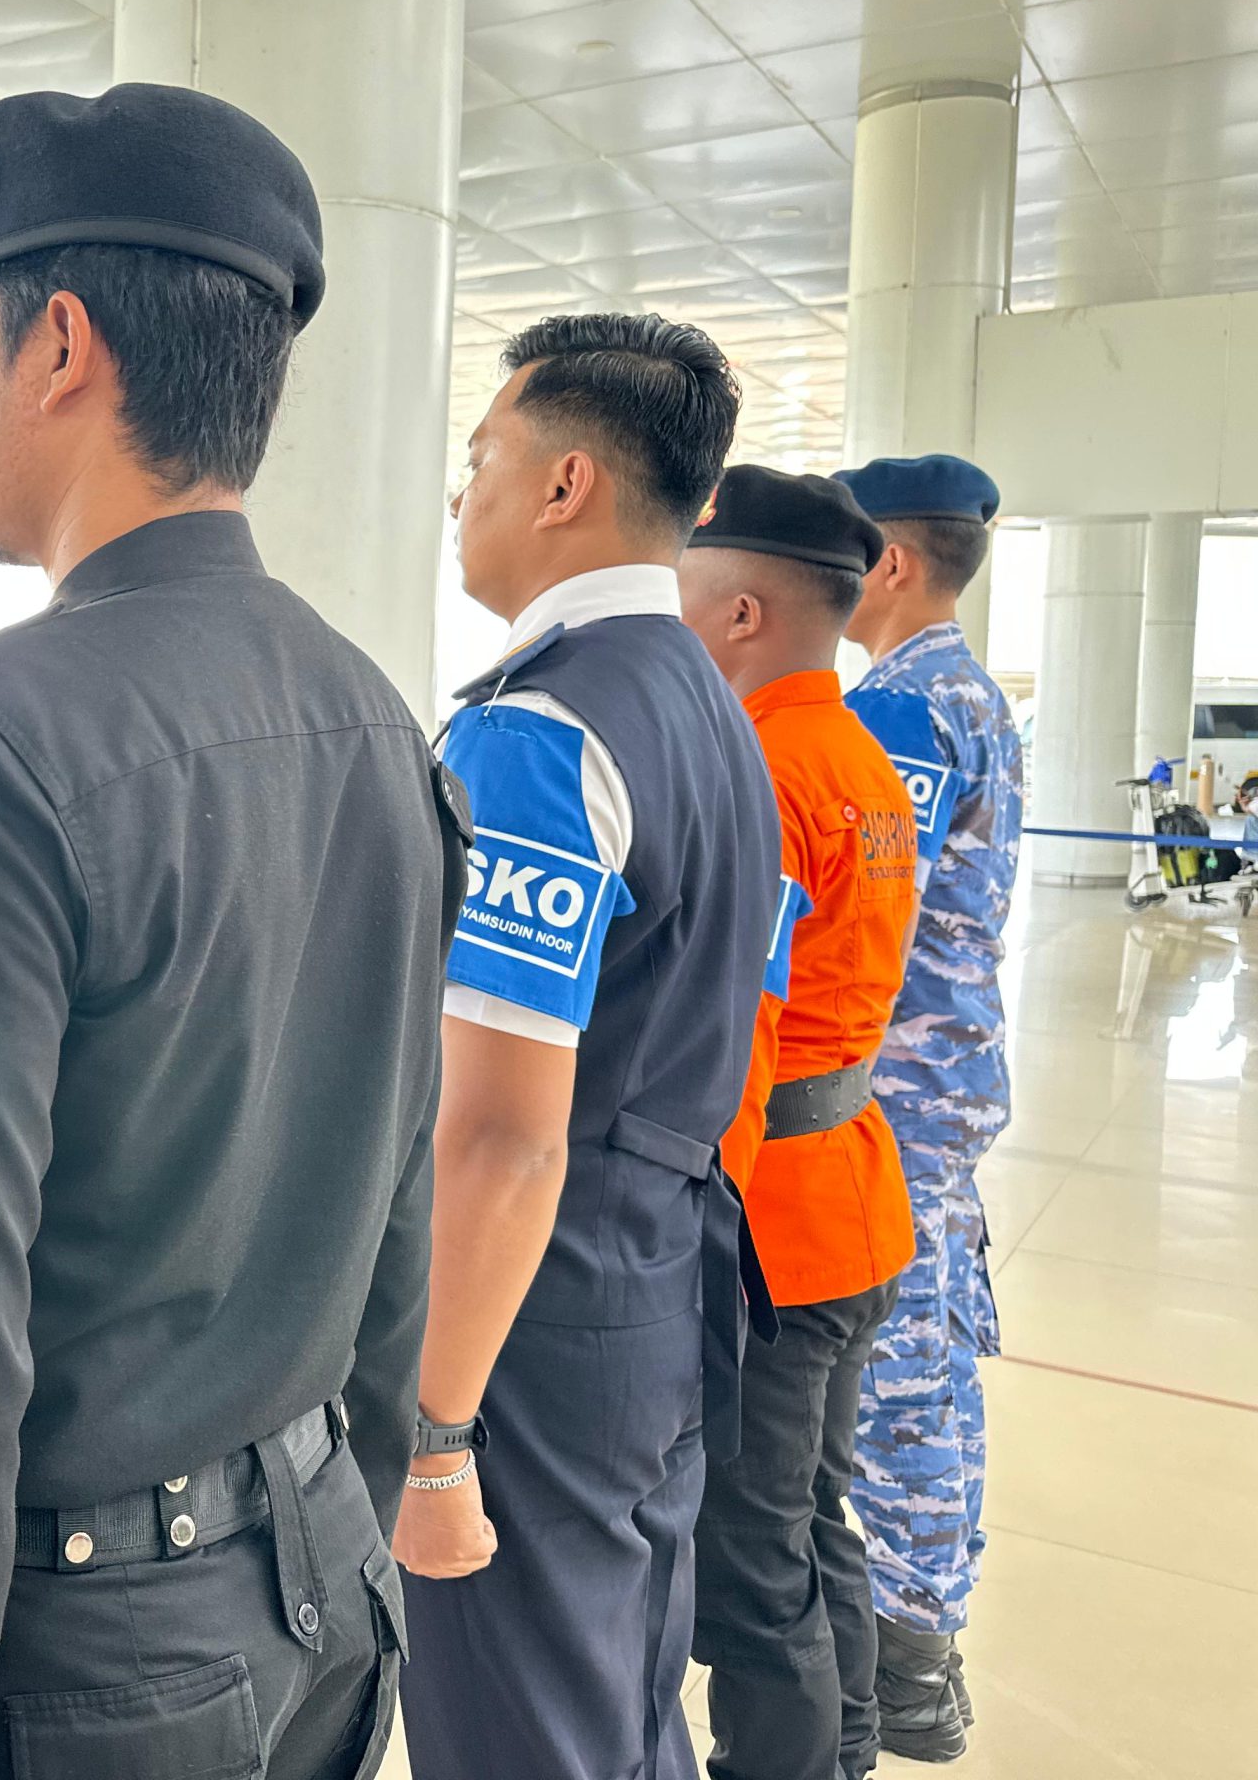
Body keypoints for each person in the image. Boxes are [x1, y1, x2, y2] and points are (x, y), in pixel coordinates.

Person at [0, 85, 462, 1779]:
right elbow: (388, 1222)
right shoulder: (374, 717)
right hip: (317, 1594)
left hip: (91, 1672)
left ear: (61, 346)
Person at [395, 313, 779, 1780]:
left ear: (564, 485)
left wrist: (435, 1435)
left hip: (536, 1318)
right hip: (661, 1276)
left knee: (521, 1727)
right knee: (616, 1702)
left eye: (480, 457)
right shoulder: (708, 712)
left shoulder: (538, 734)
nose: (460, 494)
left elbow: (498, 1127)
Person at [678, 466, 921, 1780]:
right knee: (815, 1516)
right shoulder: (862, 757)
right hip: (854, 1201)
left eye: (684, 592)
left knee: (755, 1554)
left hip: (778, 1229)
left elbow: (740, 1038)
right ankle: (849, 1745)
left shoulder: (758, 770)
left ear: (744, 614)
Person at [839, 453, 1024, 1762]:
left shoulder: (903, 711)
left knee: (905, 1378)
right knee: (924, 1358)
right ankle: (915, 1634)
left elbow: (863, 923)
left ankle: (910, 1657)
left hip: (897, 1092)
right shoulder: (963, 692)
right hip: (937, 1090)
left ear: (890, 564)